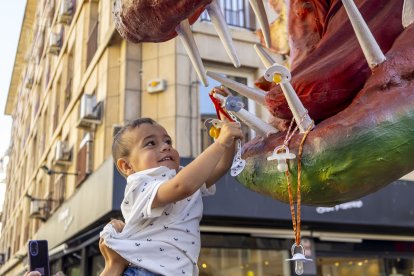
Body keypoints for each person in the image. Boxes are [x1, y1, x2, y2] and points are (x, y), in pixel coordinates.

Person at [99, 88, 242, 276]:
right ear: (127, 166)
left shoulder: (180, 175)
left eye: (168, 141)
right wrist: (219, 143)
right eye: (151, 143)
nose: (165, 146)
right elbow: (182, 187)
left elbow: (221, 166)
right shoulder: (140, 185)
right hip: (145, 272)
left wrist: (226, 124)